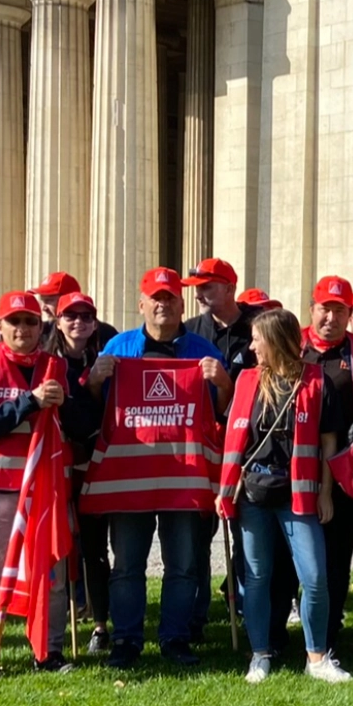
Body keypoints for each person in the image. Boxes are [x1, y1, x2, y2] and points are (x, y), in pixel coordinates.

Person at [85, 268, 230, 668]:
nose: (164, 304)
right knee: (127, 565)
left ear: (182, 304)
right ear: (142, 304)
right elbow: (97, 412)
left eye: (170, 298)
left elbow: (222, 412)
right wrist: (95, 382)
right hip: (129, 481)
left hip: (182, 479)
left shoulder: (202, 350)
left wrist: (224, 383)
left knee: (183, 565)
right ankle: (127, 640)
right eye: (156, 297)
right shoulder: (119, 346)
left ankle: (175, 639)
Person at [216, 308, 351, 684]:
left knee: (315, 576)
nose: (253, 345)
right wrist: (224, 491)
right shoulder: (245, 381)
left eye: (258, 339)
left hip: (299, 494)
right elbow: (234, 441)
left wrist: (325, 491)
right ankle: (260, 654)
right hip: (253, 493)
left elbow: (329, 442)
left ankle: (317, 656)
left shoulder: (316, 381)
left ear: (276, 341)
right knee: (256, 576)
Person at [0, 291, 72, 684]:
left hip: (45, 490)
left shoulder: (56, 367)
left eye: (30, 323)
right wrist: (30, 403)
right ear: (0, 327)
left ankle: (49, 651)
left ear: (41, 328)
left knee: (50, 574)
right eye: (14, 322)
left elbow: (73, 426)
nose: (23, 330)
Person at [183, 256, 259, 641]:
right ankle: (194, 619)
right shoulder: (189, 331)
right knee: (197, 539)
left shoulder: (257, 328)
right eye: (198, 286)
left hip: (248, 448)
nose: (200, 291)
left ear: (229, 288)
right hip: (200, 448)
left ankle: (249, 613)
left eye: (208, 285)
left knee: (248, 536)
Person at [298, 276, 353, 650]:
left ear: (349, 315)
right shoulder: (291, 345)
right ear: (312, 309)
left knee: (336, 556)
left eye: (339, 310)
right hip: (291, 469)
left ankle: (328, 631)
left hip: (340, 473)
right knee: (287, 557)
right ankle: (280, 633)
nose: (330, 316)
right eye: (324, 308)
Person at [41, 292, 111, 652]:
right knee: (59, 546)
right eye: (71, 316)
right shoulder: (45, 363)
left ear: (94, 322)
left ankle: (100, 624)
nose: (78, 322)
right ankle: (54, 623)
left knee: (96, 548)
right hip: (58, 466)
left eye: (86, 316)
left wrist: (95, 384)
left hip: (96, 466)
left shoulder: (104, 358)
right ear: (58, 320)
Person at [184, 257, 258, 375]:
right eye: (196, 288)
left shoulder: (259, 325)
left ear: (229, 289)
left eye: (205, 287)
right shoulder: (189, 329)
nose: (197, 296)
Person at [31, 272, 120, 348]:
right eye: (42, 301)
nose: (43, 308)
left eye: (49, 301)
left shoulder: (106, 335)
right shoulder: (42, 332)